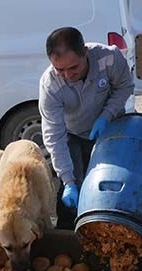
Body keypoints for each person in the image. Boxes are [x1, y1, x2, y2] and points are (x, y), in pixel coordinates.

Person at [39, 27, 134, 229]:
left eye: (73, 67)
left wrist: (106, 116)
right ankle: (66, 232)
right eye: (60, 69)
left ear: (85, 52)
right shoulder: (50, 85)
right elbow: (54, 136)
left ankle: (113, 228)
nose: (67, 75)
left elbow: (124, 86)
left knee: (112, 181)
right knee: (74, 183)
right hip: (73, 134)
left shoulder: (109, 58)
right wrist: (68, 181)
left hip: (111, 129)